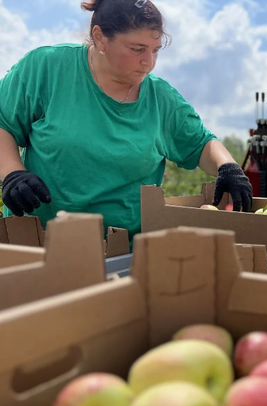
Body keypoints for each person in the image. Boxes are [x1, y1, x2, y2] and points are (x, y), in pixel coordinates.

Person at [0, 0, 253, 241]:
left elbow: (200, 144)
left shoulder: (160, 98)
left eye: (155, 50)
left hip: (123, 252)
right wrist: (13, 175)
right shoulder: (46, 69)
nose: (149, 62)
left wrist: (227, 167)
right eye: (137, 49)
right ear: (100, 37)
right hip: (38, 242)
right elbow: (4, 124)